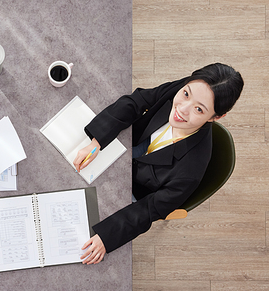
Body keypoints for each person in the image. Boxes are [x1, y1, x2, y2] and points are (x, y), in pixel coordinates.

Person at [74, 63, 244, 265]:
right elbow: (139, 100)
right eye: (186, 95)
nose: (182, 108)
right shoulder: (186, 89)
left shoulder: (190, 172)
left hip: (137, 191)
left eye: (199, 109)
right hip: (129, 147)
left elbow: (149, 208)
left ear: (216, 117)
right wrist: (97, 141)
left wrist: (106, 237)